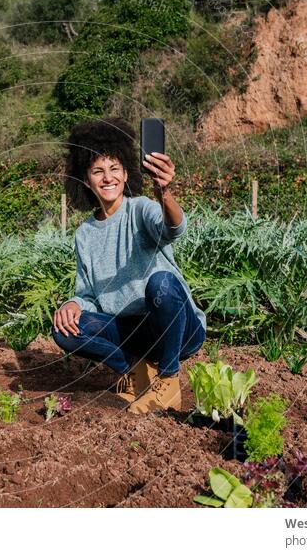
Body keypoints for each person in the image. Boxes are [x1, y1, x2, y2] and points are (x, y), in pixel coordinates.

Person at [51, 118, 206, 414]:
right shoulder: (84, 235)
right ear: (86, 180)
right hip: (135, 336)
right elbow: (88, 295)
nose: (107, 178)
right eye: (98, 171)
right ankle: (134, 373)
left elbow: (174, 229)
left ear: (125, 174)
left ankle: (169, 378)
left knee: (162, 283)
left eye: (114, 169)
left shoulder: (142, 208)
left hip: (177, 328)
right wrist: (72, 303)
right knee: (64, 329)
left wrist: (164, 192)